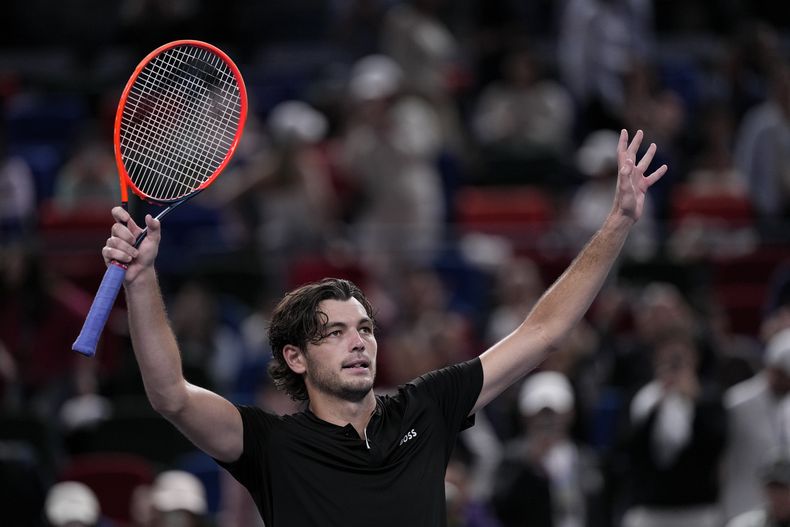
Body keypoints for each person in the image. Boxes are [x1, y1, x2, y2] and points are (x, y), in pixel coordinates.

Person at [98, 129, 666, 526]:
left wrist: (617, 222)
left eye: (365, 328)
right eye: (336, 331)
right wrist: (142, 278)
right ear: (295, 357)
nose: (359, 341)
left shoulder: (426, 408)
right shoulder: (270, 445)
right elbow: (170, 395)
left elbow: (543, 331)